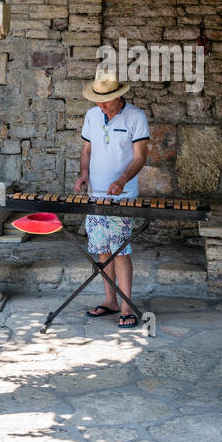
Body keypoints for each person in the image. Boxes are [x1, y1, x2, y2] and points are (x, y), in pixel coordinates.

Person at [75, 72, 150, 328]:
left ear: (119, 96)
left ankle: (127, 305)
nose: (101, 105)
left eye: (106, 101)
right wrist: (84, 175)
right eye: (98, 100)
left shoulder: (136, 117)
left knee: (120, 250)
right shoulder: (92, 116)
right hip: (95, 195)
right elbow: (87, 150)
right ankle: (110, 301)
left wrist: (123, 179)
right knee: (102, 249)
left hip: (123, 197)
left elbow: (140, 157)